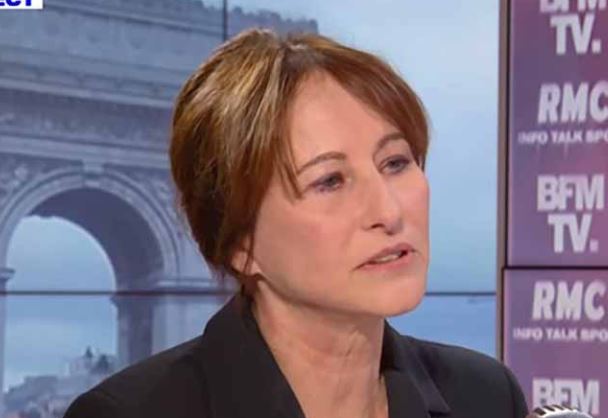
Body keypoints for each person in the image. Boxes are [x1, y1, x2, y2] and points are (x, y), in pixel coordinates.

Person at [64, 29, 528, 418]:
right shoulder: (130, 413)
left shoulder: (484, 396)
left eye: (395, 162)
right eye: (330, 181)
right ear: (240, 241)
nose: (389, 212)